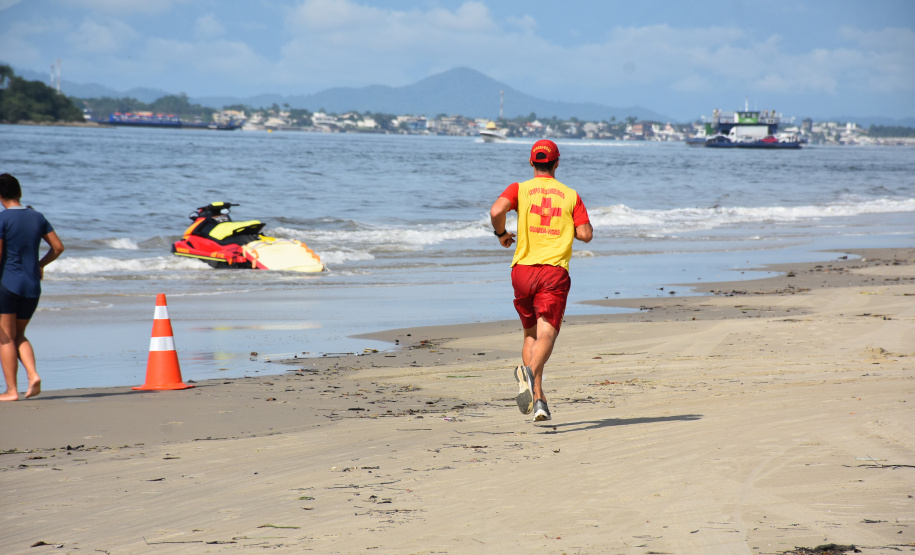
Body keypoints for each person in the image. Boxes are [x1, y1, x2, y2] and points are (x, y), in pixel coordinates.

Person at [490, 140, 593, 421]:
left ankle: (538, 399)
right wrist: (564, 226)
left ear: (531, 162)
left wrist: (502, 235)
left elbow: (496, 211)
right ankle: (528, 373)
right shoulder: (570, 195)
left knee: (531, 335)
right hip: (553, 272)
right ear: (557, 163)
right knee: (547, 333)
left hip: (522, 271)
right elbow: (585, 235)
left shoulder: (519, 189)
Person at [0, 174, 64, 401]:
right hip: (31, 285)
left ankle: (11, 390)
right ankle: (33, 374)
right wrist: (39, 264)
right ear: (20, 192)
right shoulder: (37, 217)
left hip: (7, 284)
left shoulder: (2, 219)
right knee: (20, 334)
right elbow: (57, 247)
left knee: (5, 337)